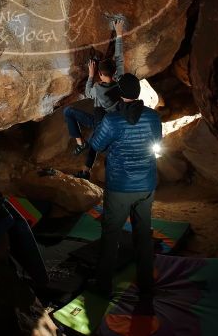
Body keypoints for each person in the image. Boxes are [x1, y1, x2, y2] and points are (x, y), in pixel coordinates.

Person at [88, 73, 161, 298]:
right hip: (146, 186)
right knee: (143, 235)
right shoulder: (153, 117)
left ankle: (104, 287)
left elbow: (96, 144)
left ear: (120, 94)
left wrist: (101, 123)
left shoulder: (112, 120)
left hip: (120, 187)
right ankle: (146, 286)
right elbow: (156, 143)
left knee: (111, 236)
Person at [62, 19, 125, 180]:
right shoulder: (120, 82)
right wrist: (119, 33)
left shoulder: (97, 89)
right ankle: (85, 171)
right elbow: (119, 57)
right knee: (97, 139)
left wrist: (90, 75)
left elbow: (87, 92)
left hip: (99, 122)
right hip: (110, 123)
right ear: (115, 72)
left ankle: (79, 143)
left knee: (69, 111)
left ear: (100, 74)